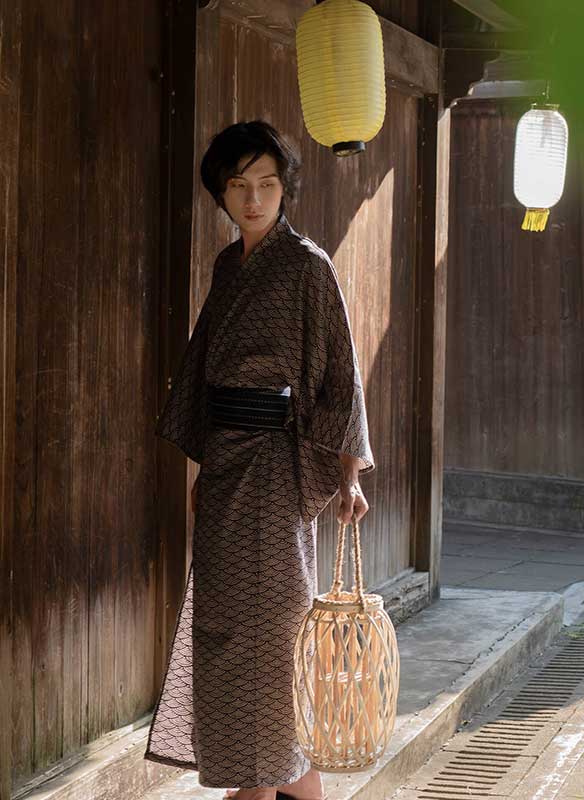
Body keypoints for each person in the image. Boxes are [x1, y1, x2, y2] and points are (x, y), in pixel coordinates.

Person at [143, 120, 376, 800]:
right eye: (239, 185)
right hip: (226, 469)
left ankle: (256, 784)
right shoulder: (228, 267)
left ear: (285, 189)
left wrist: (347, 473)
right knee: (223, 633)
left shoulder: (307, 266)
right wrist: (204, 468)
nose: (253, 199)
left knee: (274, 641)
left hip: (278, 472)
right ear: (220, 192)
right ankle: (267, 778)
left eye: (267, 185)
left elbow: (342, 375)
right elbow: (204, 370)